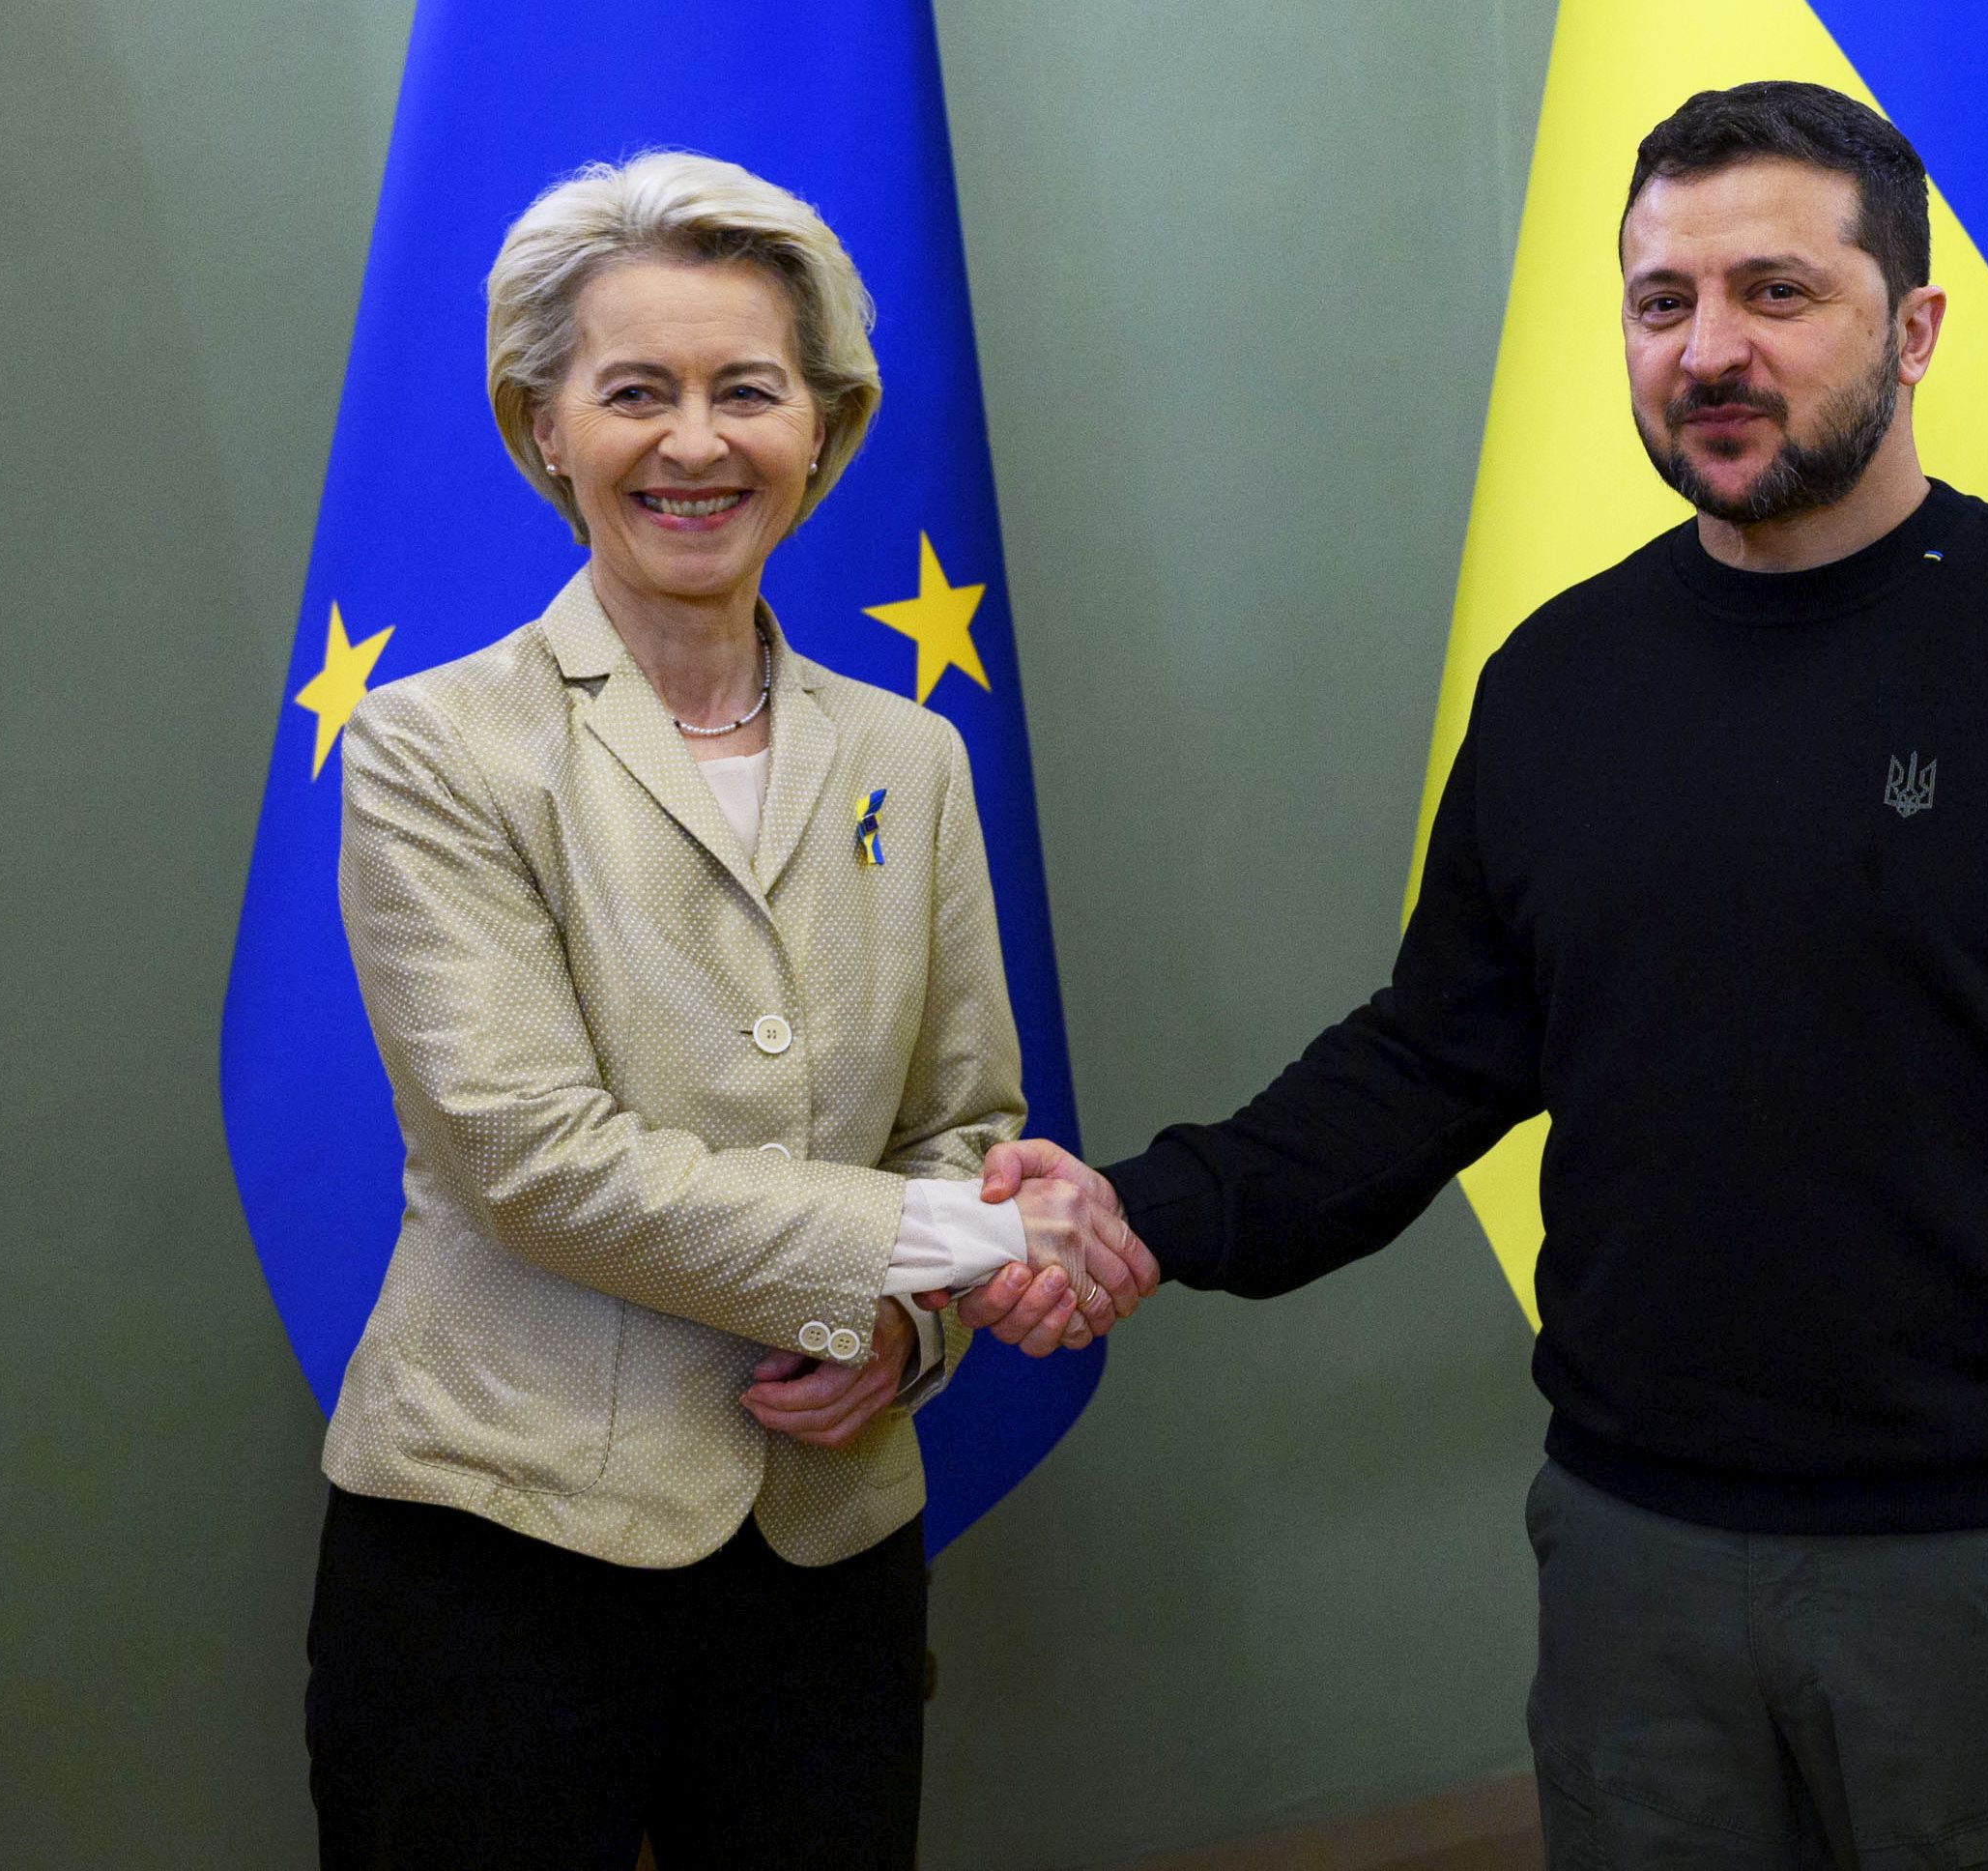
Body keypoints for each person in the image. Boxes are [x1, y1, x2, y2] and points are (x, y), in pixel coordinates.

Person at [951, 82, 1988, 1868]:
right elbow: (1429, 1061)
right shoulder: (1561, 680)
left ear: (1916, 328)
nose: (1708, 350)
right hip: (1631, 1567)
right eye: (1662, 300)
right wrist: (1142, 1210)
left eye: (1776, 292)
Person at [305, 151, 1153, 1870]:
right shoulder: (434, 750)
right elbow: (532, 1162)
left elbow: (963, 1122)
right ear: (545, 428)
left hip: (827, 1556)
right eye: (636, 393)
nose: (695, 444)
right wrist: (966, 1243)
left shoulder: (913, 757)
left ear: (823, 429)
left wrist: (906, 1336)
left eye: (747, 391)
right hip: (501, 1550)